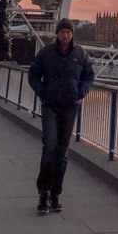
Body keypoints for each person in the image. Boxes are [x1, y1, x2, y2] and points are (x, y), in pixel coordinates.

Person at [28, 18, 94, 214]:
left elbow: (89, 76)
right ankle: (43, 193)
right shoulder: (46, 53)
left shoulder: (81, 54)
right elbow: (33, 75)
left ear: (72, 34)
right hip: (50, 106)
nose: (66, 35)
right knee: (49, 147)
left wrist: (81, 92)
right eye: (63, 32)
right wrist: (43, 92)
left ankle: (55, 194)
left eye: (69, 32)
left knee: (61, 154)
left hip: (70, 108)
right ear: (57, 33)